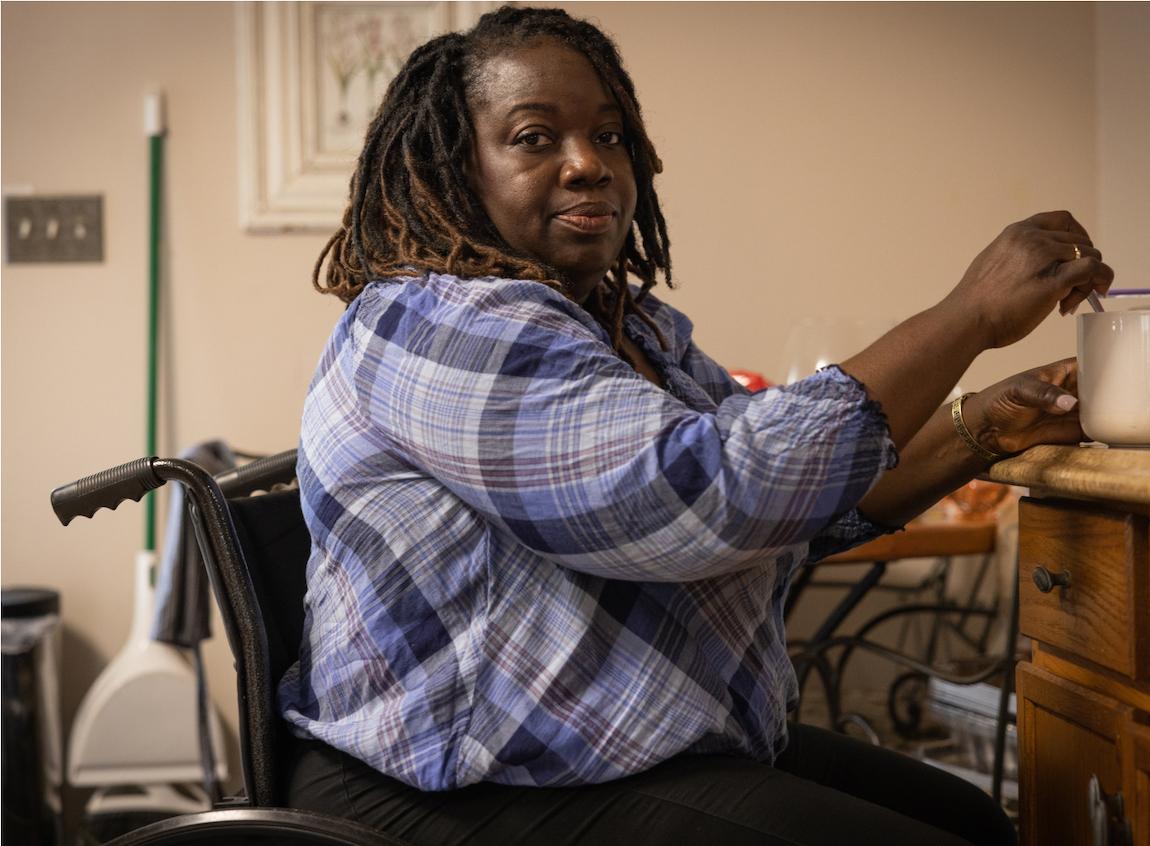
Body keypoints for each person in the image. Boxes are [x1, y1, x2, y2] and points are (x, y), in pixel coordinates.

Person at [279, 7, 1112, 845]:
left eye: (610, 136)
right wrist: (968, 312)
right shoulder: (438, 322)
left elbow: (792, 501)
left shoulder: (628, 327)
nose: (588, 165)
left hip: (596, 752)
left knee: (968, 819)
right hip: (453, 786)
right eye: (535, 138)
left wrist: (982, 431)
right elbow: (714, 497)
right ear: (455, 168)